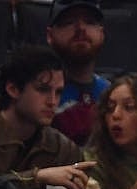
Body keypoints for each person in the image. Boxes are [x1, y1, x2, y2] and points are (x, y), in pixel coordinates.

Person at [0, 45, 93, 189]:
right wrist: (37, 178)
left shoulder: (62, 149)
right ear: (13, 89)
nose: (53, 101)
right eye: (43, 89)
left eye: (58, 92)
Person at [45, 0, 110, 147]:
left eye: (90, 22)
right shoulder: (37, 93)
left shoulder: (112, 94)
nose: (81, 28)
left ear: (101, 33)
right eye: (68, 22)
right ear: (50, 35)